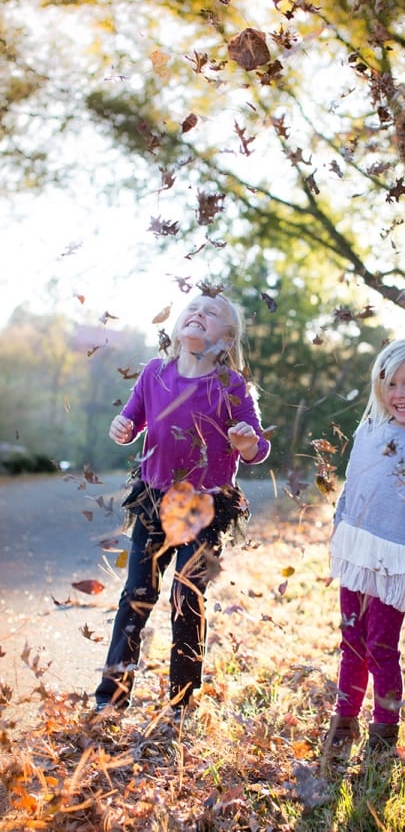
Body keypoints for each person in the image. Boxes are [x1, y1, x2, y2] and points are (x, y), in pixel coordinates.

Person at [94, 290, 271, 718]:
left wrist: (247, 444)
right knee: (136, 595)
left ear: (226, 339)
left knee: (186, 597)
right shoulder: (155, 373)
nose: (198, 313)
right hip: (154, 500)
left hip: (205, 507)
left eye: (211, 313)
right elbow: (133, 422)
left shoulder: (231, 386)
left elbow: (258, 447)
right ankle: (111, 699)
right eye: (193, 308)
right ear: (178, 325)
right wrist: (123, 427)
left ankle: (180, 702)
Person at [324, 338, 405, 756]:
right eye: (391, 384)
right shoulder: (369, 431)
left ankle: (384, 733)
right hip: (357, 551)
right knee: (351, 640)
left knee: (380, 645)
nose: (399, 394)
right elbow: (352, 487)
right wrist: (338, 533)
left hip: (395, 560)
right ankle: (344, 722)